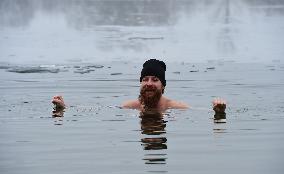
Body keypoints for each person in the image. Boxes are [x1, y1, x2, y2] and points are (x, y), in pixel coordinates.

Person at [52, 59, 226, 121]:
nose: (149, 83)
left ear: (163, 86)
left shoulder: (174, 107)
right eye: (145, 79)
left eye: (155, 79)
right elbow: (98, 109)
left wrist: (218, 112)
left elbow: (199, 113)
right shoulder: (131, 106)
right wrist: (64, 108)